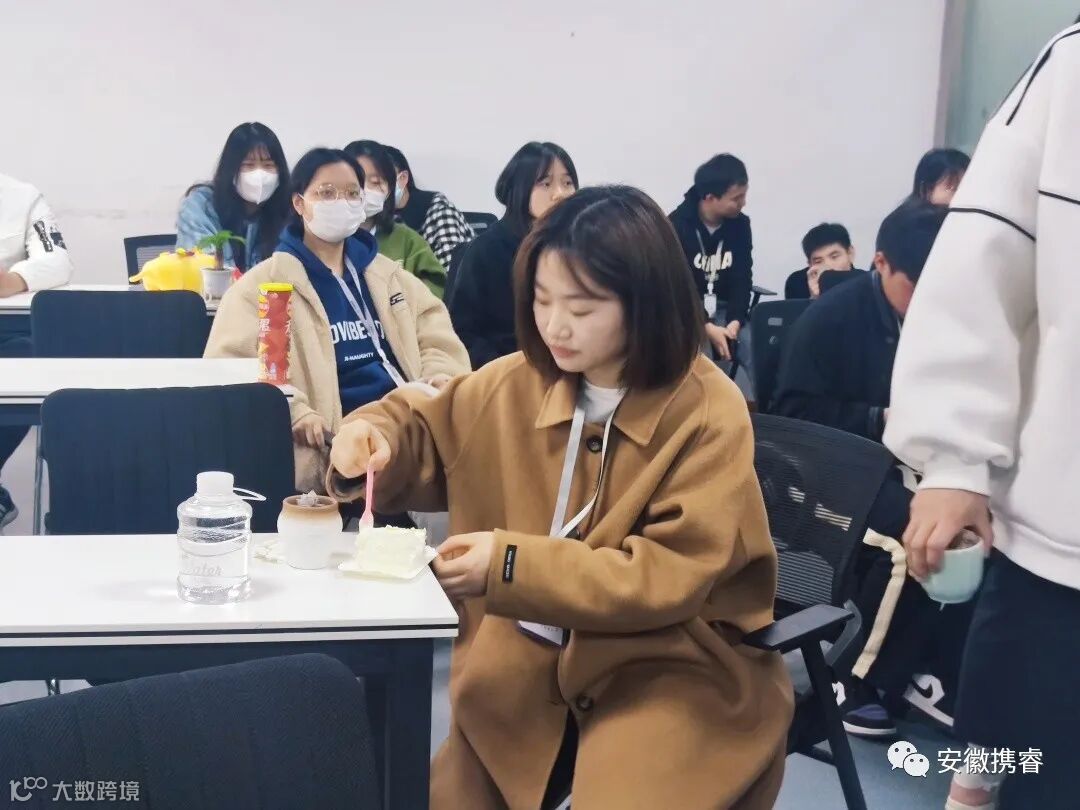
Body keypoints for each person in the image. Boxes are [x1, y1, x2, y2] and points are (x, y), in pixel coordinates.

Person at [325, 185, 791, 809]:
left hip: (668, 662)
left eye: (583, 306)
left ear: (645, 303)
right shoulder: (519, 380)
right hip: (522, 653)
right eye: (542, 300)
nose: (555, 326)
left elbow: (665, 576)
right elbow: (428, 425)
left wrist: (507, 567)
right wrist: (372, 437)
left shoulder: (707, 411)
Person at [887, 24, 1080, 809]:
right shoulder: (1072, 67)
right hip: (1061, 550)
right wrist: (954, 458)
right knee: (1033, 769)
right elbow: (983, 262)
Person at [774, 200, 971, 739]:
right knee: (911, 541)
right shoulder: (832, 319)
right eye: (916, 285)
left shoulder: (935, 317)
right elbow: (791, 418)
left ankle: (926, 669)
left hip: (892, 463)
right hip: (820, 472)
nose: (928, 298)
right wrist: (878, 417)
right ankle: (855, 682)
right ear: (880, 263)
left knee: (968, 534)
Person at [205, 148, 469, 492]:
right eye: (326, 193)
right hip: (329, 445)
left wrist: (438, 376)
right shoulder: (266, 287)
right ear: (299, 203)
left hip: (405, 429)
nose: (341, 202)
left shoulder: (388, 277)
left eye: (352, 193)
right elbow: (232, 370)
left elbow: (436, 337)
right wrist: (294, 411)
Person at [447, 141, 577, 369]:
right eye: (546, 184)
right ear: (520, 190)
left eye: (567, 183)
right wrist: (508, 373)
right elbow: (463, 332)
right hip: (507, 369)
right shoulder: (486, 250)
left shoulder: (579, 246)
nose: (560, 194)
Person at [0, 172, 74, 527]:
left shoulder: (21, 197)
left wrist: (13, 280)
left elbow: (57, 260)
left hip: (5, 334)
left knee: (30, 358)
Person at [668, 153, 753, 375]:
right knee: (701, 357)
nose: (743, 203)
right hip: (688, 311)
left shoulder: (741, 226)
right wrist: (705, 325)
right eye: (736, 198)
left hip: (726, 309)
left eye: (744, 195)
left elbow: (742, 278)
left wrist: (735, 321)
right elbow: (676, 286)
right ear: (710, 198)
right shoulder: (676, 226)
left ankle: (765, 401)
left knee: (756, 348)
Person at [176, 122, 291, 272]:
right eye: (248, 165)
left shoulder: (290, 209)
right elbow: (208, 271)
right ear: (230, 170)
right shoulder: (200, 206)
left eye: (268, 165)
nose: (260, 175)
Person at [343, 140, 446, 299]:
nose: (364, 190)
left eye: (376, 182)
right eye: (357, 181)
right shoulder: (326, 238)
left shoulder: (406, 239)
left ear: (389, 189)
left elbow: (437, 284)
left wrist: (406, 301)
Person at [383, 144, 475, 269]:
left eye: (379, 180)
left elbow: (450, 271)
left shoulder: (439, 209)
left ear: (403, 178)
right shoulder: (374, 215)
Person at [784, 222, 866, 299]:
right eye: (818, 262)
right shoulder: (796, 283)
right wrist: (815, 298)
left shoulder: (866, 281)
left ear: (850, 253)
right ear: (810, 264)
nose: (828, 266)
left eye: (834, 257)